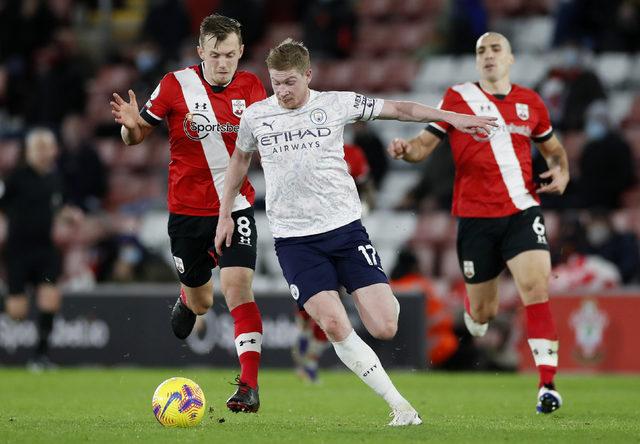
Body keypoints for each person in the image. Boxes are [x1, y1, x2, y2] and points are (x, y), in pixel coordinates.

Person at [214, 38, 496, 426]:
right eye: (276, 82)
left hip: (345, 232)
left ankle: (373, 289)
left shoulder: (335, 103)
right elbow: (239, 160)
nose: (282, 90)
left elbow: (400, 109)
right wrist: (224, 212)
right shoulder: (256, 116)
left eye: (290, 82)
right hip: (295, 242)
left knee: (385, 326)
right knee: (332, 324)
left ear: (308, 75)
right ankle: (401, 407)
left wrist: (453, 118)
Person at [388, 32, 570, 414]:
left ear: (511, 58)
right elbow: (423, 146)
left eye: (495, 49)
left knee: (535, 288)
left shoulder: (530, 103)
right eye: (481, 51)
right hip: (475, 219)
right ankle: (475, 316)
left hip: (522, 210)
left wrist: (563, 172)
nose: (488, 56)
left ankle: (547, 385)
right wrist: (406, 152)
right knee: (484, 311)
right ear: (476, 61)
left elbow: (553, 150)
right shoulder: (459, 99)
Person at [109, 14, 266, 413]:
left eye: (230, 54)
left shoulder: (252, 87)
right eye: (215, 55)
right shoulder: (175, 84)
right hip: (186, 213)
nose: (223, 63)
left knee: (238, 288)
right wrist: (129, 128)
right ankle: (187, 296)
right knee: (202, 303)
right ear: (200, 53)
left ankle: (248, 386)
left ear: (241, 52)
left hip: (235, 206)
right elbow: (136, 134)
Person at [0, 128, 82, 370]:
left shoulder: (55, 179)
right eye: (40, 148)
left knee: (50, 299)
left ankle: (40, 356)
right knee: (17, 312)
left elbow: (59, 206)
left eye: (49, 147)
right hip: (18, 250)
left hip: (45, 249)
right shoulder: (15, 178)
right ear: (30, 151)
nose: (45, 153)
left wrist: (70, 215)